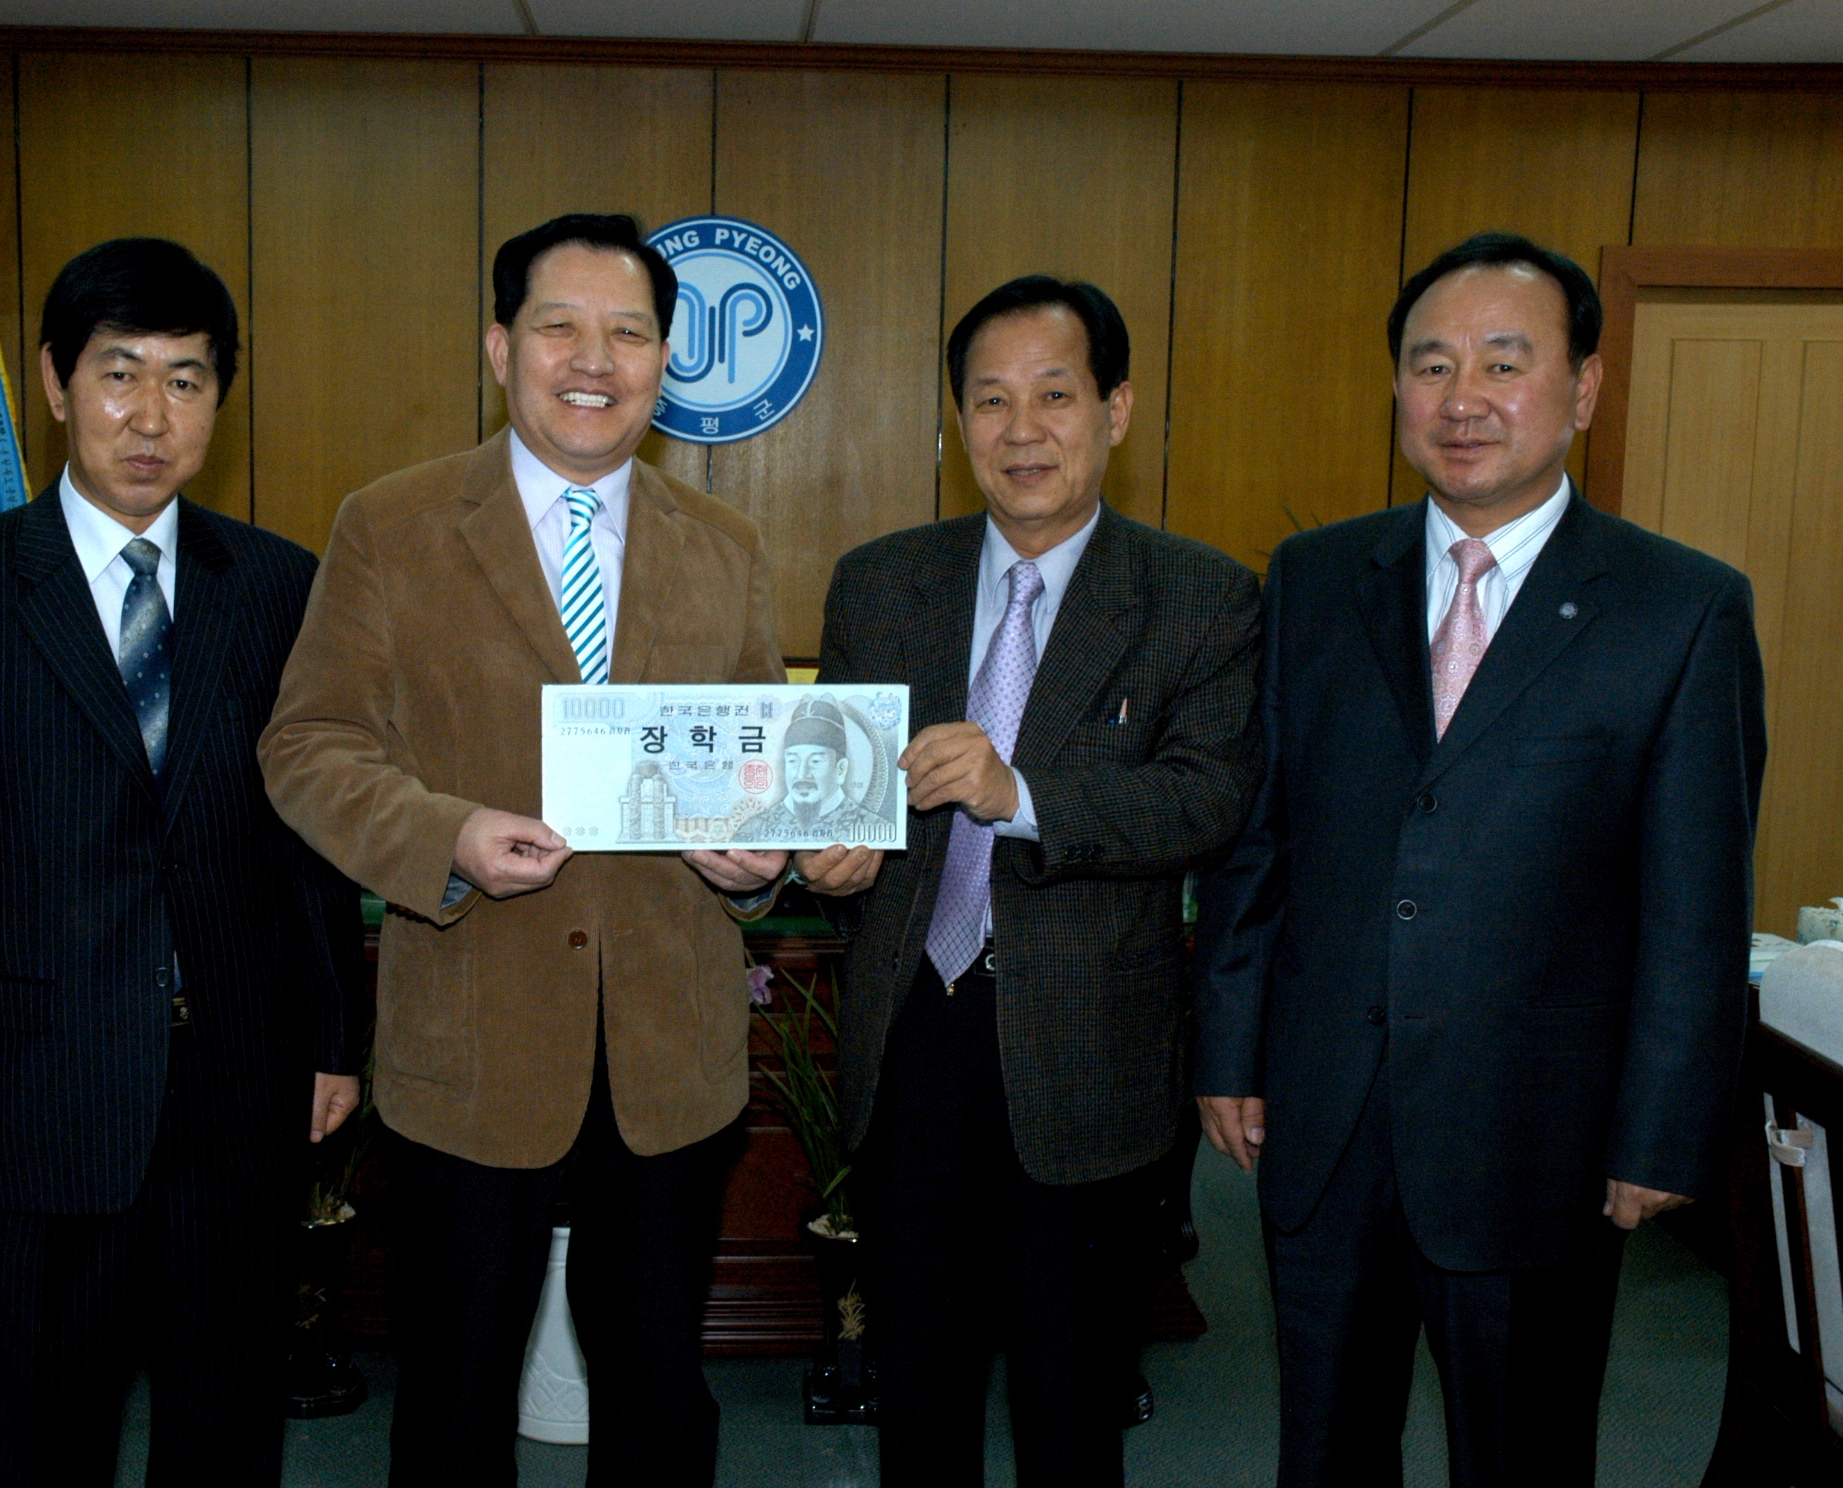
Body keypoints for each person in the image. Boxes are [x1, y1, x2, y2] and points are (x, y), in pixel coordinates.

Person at [1195, 232, 1766, 1487]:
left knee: (1521, 1458)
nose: (1461, 399)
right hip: (1327, 1113)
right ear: (1394, 388)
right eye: (1429, 364)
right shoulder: (1315, 576)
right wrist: (1229, 1046)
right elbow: (1261, 836)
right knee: (1323, 1451)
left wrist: (1662, 1134)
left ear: (1582, 387)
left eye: (1503, 363)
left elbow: (1694, 903)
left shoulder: (1678, 608)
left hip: (1538, 1139)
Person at [257, 212, 787, 1487]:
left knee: (660, 1398)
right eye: (558, 326)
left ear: (666, 361)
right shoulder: (389, 526)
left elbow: (758, 768)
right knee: (450, 1398)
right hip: (475, 1043)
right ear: (500, 348)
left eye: (629, 332)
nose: (591, 358)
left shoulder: (724, 545)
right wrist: (445, 835)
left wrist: (757, 857)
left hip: (670, 1053)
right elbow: (307, 745)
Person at [0, 238, 363, 1487]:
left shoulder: (279, 587)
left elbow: (311, 838)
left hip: (238, 1084)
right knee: (39, 1424)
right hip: (38, 1087)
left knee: (229, 1414)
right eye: (119, 374)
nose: (149, 416)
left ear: (218, 403)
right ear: (52, 381)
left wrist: (335, 1037)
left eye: (185, 381)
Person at [795, 274, 1263, 1486]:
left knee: (1070, 1414)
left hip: (1087, 1060)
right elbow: (847, 795)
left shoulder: (1200, 597)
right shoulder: (880, 582)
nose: (1020, 430)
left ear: (1113, 409)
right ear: (956, 422)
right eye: (989, 400)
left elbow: (1206, 798)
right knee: (919, 1403)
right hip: (911, 1042)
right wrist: (832, 855)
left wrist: (1022, 794)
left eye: (1053, 396)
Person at [735, 694, 897, 844]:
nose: (801, 774)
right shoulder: (754, 829)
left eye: (816, 761)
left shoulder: (876, 828)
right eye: (792, 761)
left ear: (840, 770)